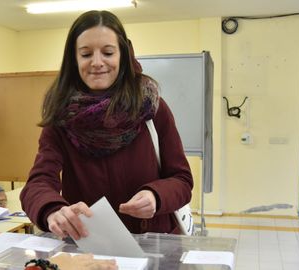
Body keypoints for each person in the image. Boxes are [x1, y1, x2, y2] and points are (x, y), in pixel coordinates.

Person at [20, 10, 193, 240]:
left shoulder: (153, 108)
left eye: (108, 52)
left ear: (123, 55)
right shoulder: (61, 116)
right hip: (91, 246)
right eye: (86, 54)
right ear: (74, 60)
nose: (97, 62)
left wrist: (155, 196)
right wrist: (52, 210)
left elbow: (181, 180)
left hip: (154, 242)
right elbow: (38, 182)